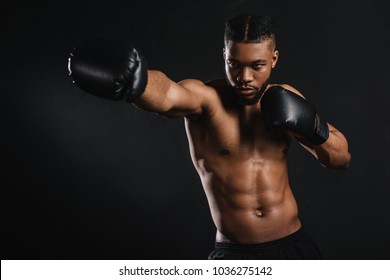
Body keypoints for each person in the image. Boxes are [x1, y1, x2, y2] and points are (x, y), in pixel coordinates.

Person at [68, 13, 351, 259]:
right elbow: (167, 93)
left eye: (257, 65)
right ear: (224, 57)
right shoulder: (206, 100)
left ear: (273, 59)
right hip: (235, 256)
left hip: (294, 246)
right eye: (234, 64)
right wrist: (137, 82)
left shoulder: (286, 98)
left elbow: (341, 159)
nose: (245, 77)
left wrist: (313, 128)